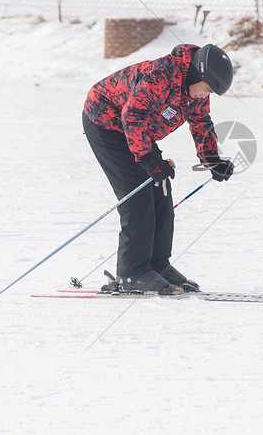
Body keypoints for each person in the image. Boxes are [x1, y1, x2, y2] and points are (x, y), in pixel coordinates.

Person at [82, 43, 235, 294]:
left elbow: (200, 121)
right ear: (198, 74)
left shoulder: (195, 90)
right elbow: (132, 115)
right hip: (105, 123)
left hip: (134, 129)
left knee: (160, 188)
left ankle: (157, 265)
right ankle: (132, 273)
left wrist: (211, 159)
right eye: (206, 89)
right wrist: (148, 159)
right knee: (137, 193)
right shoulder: (162, 75)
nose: (204, 96)